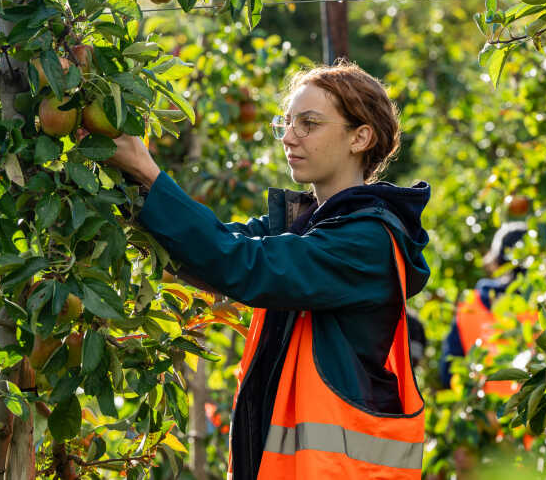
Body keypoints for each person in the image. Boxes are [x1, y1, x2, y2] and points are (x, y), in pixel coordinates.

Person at [98, 59, 432, 479]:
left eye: (308, 124)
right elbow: (216, 249)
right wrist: (121, 183)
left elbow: (243, 265)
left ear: (360, 137)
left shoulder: (366, 242)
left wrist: (147, 170)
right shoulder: (305, 226)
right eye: (286, 123)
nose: (290, 137)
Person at [438, 221, 528, 391]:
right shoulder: (542, 304)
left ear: (496, 260)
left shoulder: (470, 305)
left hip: (484, 411)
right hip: (533, 413)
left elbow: (448, 372)